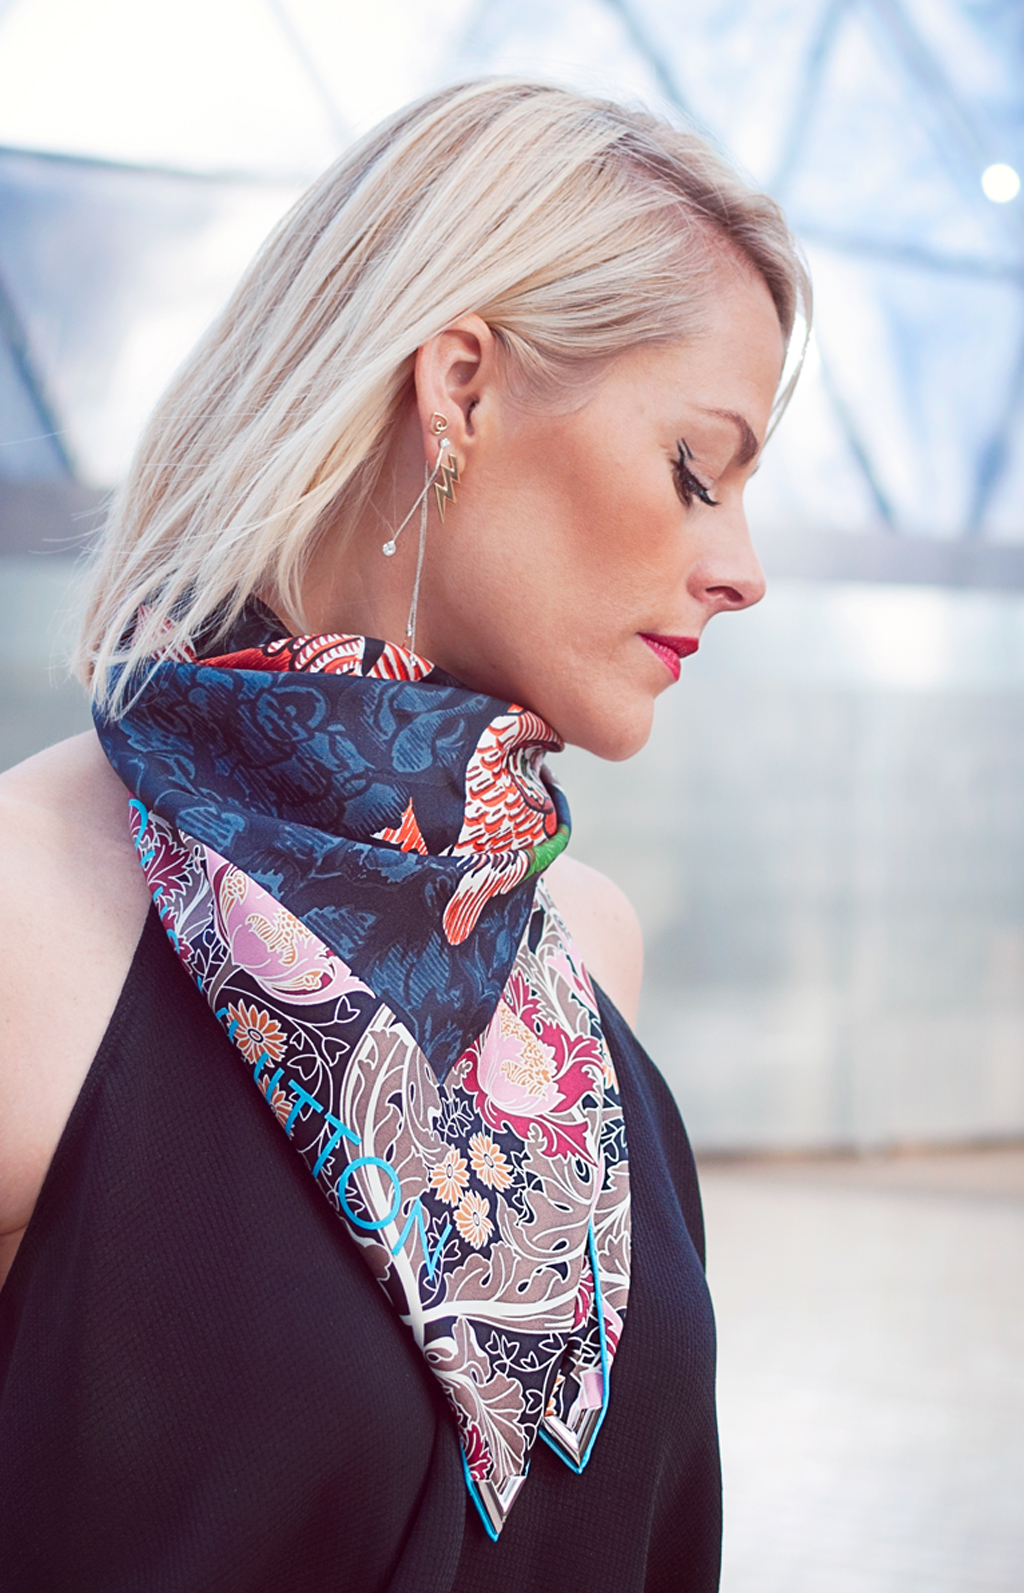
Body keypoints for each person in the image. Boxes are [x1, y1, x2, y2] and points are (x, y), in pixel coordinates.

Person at [0, 78, 806, 1591]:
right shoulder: (26, 927)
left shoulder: (582, 957)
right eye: (698, 469)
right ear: (461, 391)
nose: (742, 568)